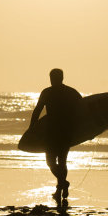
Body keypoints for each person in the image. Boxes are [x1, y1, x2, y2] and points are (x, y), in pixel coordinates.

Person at [30, 68, 82, 202]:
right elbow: (83, 111)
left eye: (54, 78)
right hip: (64, 131)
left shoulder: (48, 92)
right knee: (58, 162)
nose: (52, 81)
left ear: (59, 78)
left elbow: (37, 111)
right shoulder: (71, 92)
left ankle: (61, 187)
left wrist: (32, 128)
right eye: (51, 78)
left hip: (54, 132)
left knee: (53, 162)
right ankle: (62, 186)